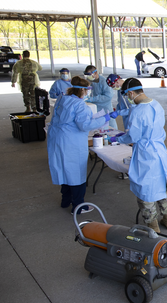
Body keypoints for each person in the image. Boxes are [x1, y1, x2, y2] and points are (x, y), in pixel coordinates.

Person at [110, 79, 167, 233]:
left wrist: (117, 139)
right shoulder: (156, 104)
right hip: (159, 150)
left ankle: (153, 226)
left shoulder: (138, 111)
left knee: (145, 188)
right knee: (161, 185)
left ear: (130, 93)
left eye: (127, 95)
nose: (128, 98)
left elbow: (132, 136)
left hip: (145, 153)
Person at [47, 76, 118, 213]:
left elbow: (71, 118)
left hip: (57, 138)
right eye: (87, 91)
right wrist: (105, 118)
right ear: (84, 91)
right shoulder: (79, 104)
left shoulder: (63, 99)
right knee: (76, 173)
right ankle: (79, 206)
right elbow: (84, 125)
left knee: (64, 170)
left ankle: (65, 200)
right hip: (71, 142)